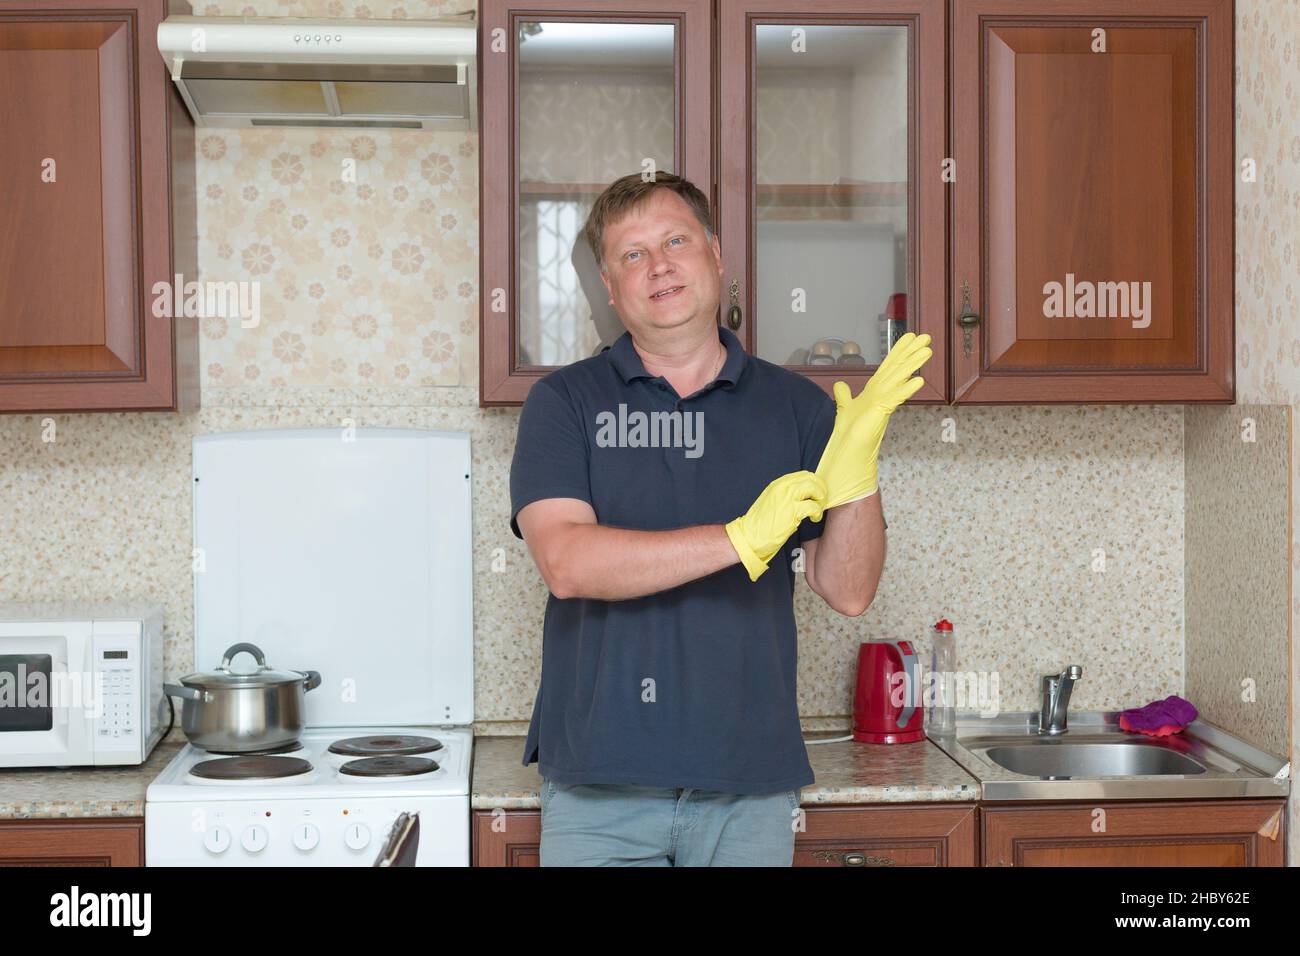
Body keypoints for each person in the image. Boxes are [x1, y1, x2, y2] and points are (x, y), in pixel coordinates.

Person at [508, 171, 930, 866]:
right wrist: (738, 539)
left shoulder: (797, 407)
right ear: (611, 289)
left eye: (676, 240)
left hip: (749, 787)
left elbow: (849, 590)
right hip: (599, 789)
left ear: (715, 254)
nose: (660, 265)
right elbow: (568, 564)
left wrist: (858, 472)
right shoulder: (564, 404)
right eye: (632, 255)